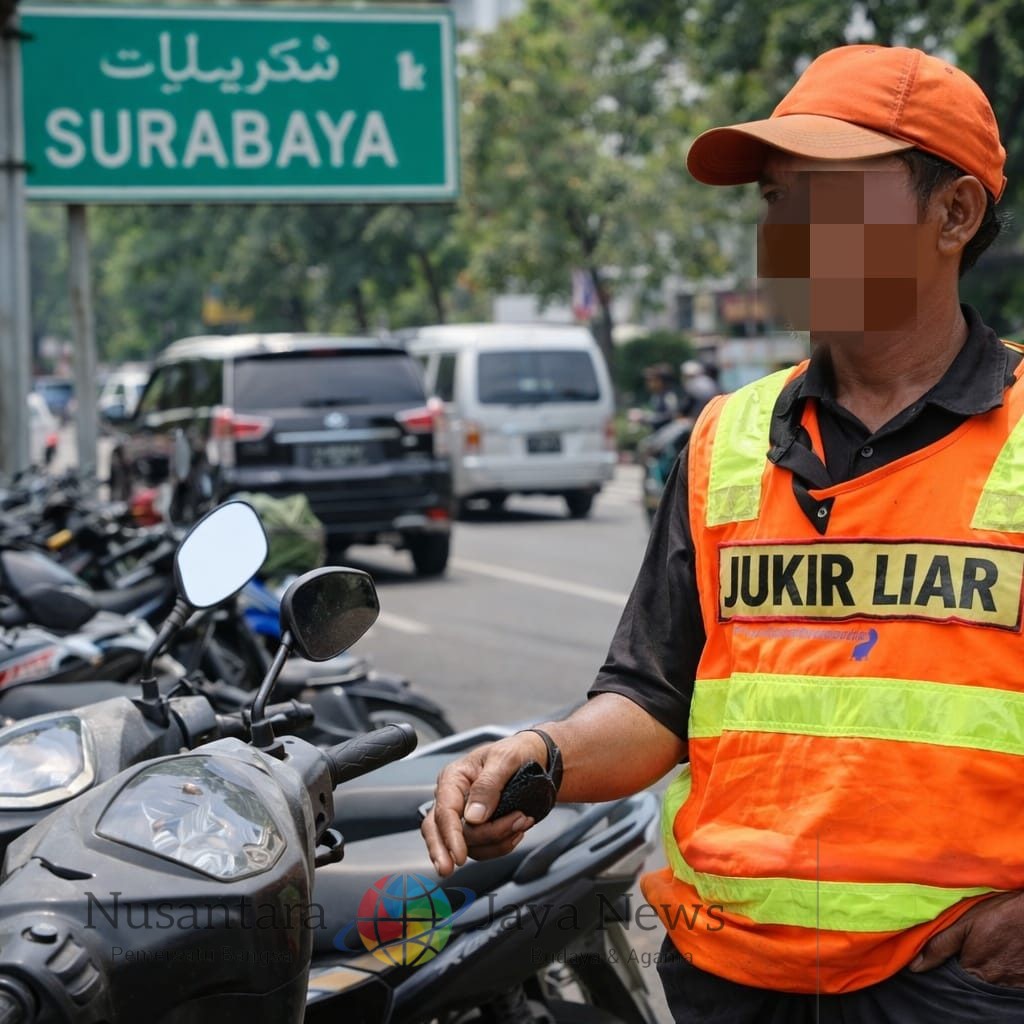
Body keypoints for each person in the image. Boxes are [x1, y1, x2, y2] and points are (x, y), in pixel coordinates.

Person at [421, 44, 1024, 1022]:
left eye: (827, 199)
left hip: (958, 990)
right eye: (777, 201)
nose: (784, 236)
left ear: (953, 214)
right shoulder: (724, 438)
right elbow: (653, 699)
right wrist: (540, 756)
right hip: (728, 980)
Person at [630, 362, 681, 430]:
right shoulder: (656, 396)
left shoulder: (669, 396)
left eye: (652, 380)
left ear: (661, 381)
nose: (649, 383)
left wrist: (646, 418)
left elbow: (671, 416)